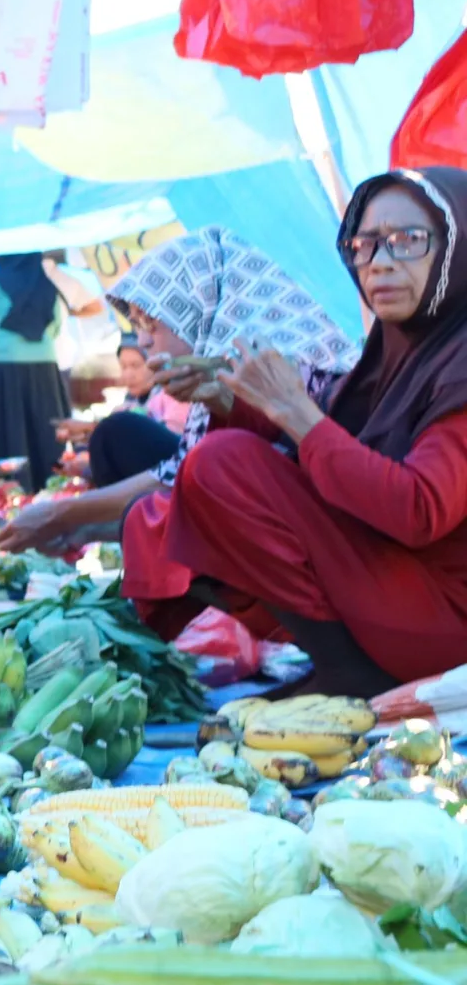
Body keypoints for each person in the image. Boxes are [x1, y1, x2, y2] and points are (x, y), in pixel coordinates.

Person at [135, 170, 467, 695]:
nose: (380, 262)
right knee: (196, 485)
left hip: (448, 621)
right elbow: (340, 436)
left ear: (456, 247)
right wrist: (228, 397)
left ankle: (353, 672)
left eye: (408, 241)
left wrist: (294, 409)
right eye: (365, 244)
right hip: (399, 586)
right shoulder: (401, 350)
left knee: (224, 464)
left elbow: (420, 509)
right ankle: (342, 662)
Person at [0, 229, 354, 558]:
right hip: (259, 529)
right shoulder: (214, 362)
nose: (145, 339)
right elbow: (180, 477)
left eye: (153, 320)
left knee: (168, 449)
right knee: (121, 435)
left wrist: (61, 514)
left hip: (311, 550)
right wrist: (81, 529)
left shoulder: (283, 364)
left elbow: (186, 482)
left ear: (200, 307)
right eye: (137, 325)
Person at [0, 253, 73, 493]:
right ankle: (51, 488)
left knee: (7, 428)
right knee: (44, 430)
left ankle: (9, 492)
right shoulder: (47, 283)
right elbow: (54, 326)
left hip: (3, 368)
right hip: (44, 369)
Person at [118, 337, 193, 432]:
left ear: (155, 364)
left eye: (136, 366)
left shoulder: (175, 395)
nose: (128, 375)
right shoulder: (127, 405)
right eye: (123, 367)